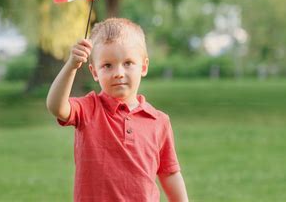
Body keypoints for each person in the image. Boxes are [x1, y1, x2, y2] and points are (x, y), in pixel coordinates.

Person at [46, 18, 188, 201]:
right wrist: (71, 66)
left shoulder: (159, 121)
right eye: (107, 65)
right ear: (95, 72)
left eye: (128, 63)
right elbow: (56, 107)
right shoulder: (88, 109)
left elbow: (169, 173)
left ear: (144, 66)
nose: (119, 72)